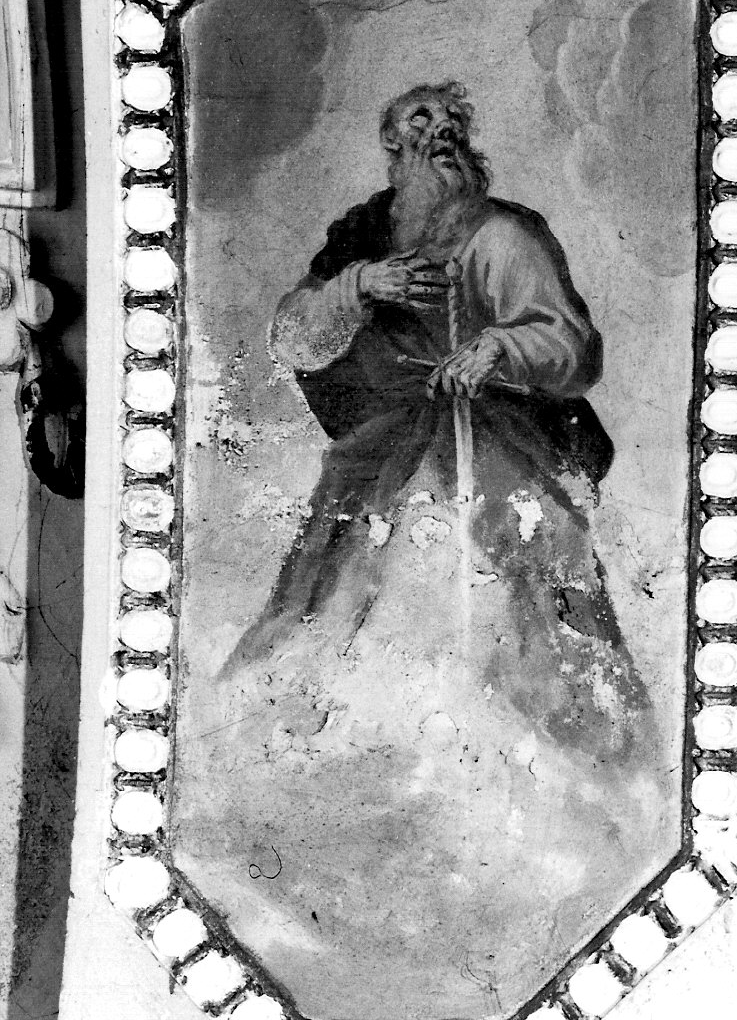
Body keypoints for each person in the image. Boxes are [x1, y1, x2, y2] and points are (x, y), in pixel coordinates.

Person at [222, 80, 648, 763]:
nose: (441, 129)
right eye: (422, 119)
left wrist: (498, 346)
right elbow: (293, 338)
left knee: (536, 561)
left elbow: (571, 345)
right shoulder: (359, 237)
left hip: (497, 436)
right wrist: (358, 286)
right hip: (388, 444)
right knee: (333, 578)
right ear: (391, 143)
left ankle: (562, 742)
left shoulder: (502, 234)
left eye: (453, 120)